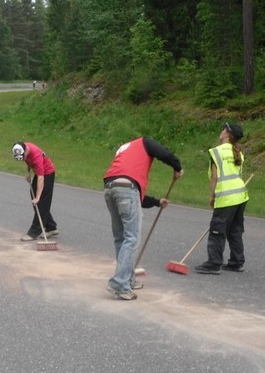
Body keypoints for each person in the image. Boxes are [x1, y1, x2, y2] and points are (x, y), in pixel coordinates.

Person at [103, 137, 183, 300]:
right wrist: (177, 167)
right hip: (126, 190)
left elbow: (132, 193)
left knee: (121, 238)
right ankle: (119, 283)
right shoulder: (145, 142)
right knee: (131, 239)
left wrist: (156, 202)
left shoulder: (125, 149)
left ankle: (128, 279)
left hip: (109, 189)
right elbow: (164, 154)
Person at [195, 123, 249, 275]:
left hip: (226, 196)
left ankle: (213, 263)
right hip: (241, 195)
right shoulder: (238, 152)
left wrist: (212, 196)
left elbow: (214, 177)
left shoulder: (216, 152)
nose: (221, 131)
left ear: (227, 133)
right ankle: (236, 262)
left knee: (218, 230)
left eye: (223, 129)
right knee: (235, 230)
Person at [12, 142, 59, 241]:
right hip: (38, 173)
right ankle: (51, 227)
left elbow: (41, 178)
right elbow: (27, 161)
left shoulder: (36, 156)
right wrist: (28, 172)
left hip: (47, 174)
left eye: (23, 156)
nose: (23, 159)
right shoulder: (23, 148)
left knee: (40, 202)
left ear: (26, 151)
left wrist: (38, 197)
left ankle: (34, 232)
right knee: (35, 197)